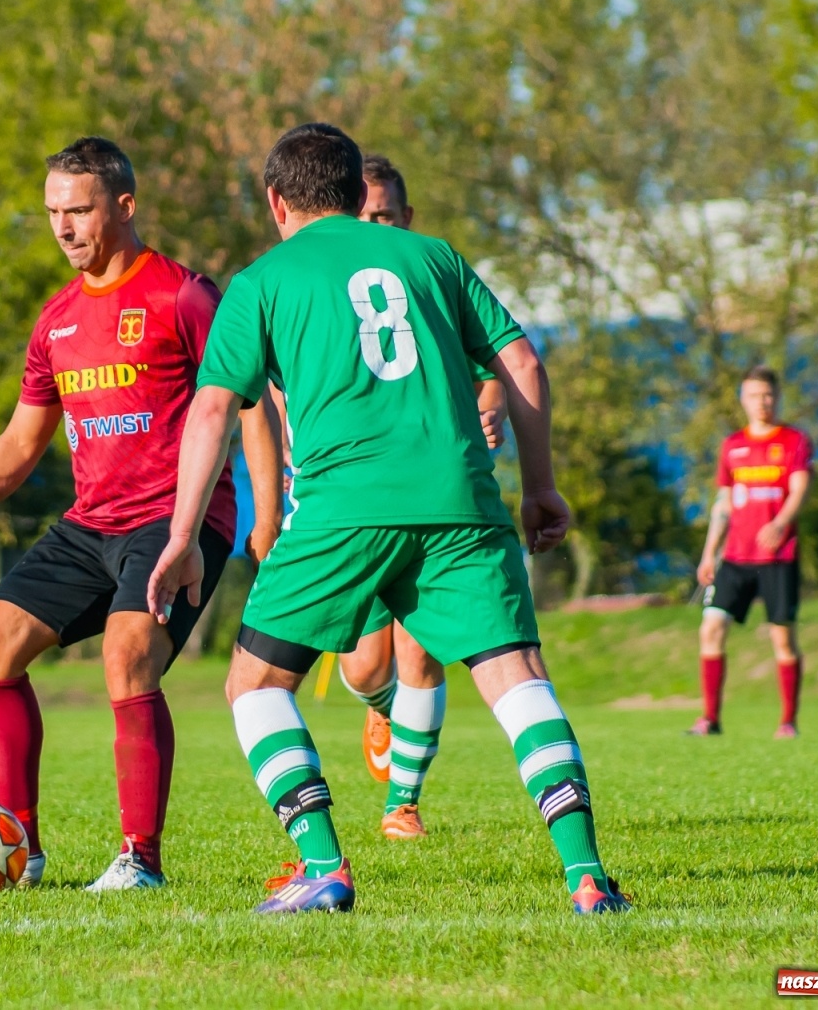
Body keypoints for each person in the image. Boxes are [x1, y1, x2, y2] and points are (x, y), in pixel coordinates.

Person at [148, 123, 629, 916]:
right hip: (462, 504)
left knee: (256, 685)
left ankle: (322, 866)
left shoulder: (260, 283)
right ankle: (586, 877)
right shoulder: (433, 258)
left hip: (344, 513)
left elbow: (210, 411)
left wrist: (182, 539)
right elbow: (523, 365)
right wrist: (539, 487)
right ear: (352, 192)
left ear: (277, 201)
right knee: (517, 680)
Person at [0, 137, 279, 892]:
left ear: (124, 205)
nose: (63, 227)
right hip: (91, 523)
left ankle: (139, 860)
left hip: (176, 523)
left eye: (78, 210)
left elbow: (244, 403)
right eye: (53, 212)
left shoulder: (183, 296)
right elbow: (24, 439)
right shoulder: (54, 320)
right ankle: (19, 850)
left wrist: (265, 511)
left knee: (126, 654)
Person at [337, 155, 508, 841]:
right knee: (365, 666)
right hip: (359, 499)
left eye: (385, 215)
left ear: (407, 220)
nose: (375, 226)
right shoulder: (334, 293)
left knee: (419, 651)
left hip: (435, 495)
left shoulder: (430, 283)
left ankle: (401, 803)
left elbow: (495, 364)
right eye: (363, 215)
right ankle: (381, 708)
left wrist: (489, 407)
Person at [690, 366, 813, 738]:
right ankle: (710, 719)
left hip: (778, 558)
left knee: (782, 638)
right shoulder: (732, 446)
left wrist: (781, 523)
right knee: (711, 628)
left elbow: (800, 489)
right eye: (754, 395)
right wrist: (709, 552)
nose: (762, 402)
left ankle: (788, 721)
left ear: (777, 397)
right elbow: (724, 503)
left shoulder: (793, 441)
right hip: (736, 559)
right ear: (743, 399)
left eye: (768, 394)